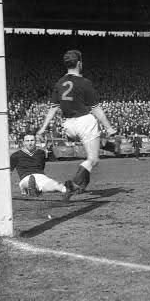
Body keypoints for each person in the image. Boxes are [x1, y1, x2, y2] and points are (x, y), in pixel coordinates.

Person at [36, 50, 117, 196]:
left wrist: (43, 128)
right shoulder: (85, 83)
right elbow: (96, 108)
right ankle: (73, 184)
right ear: (79, 63)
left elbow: (53, 108)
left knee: (91, 148)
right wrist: (109, 127)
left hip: (68, 127)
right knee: (93, 159)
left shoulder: (59, 83)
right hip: (84, 122)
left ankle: (83, 185)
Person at [10, 133, 71, 199]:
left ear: (36, 141)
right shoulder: (15, 155)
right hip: (26, 177)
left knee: (57, 186)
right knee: (28, 183)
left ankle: (68, 190)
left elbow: (42, 166)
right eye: (27, 141)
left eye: (32, 140)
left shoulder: (41, 153)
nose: (30, 143)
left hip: (41, 177)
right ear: (23, 142)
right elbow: (9, 172)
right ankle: (30, 188)